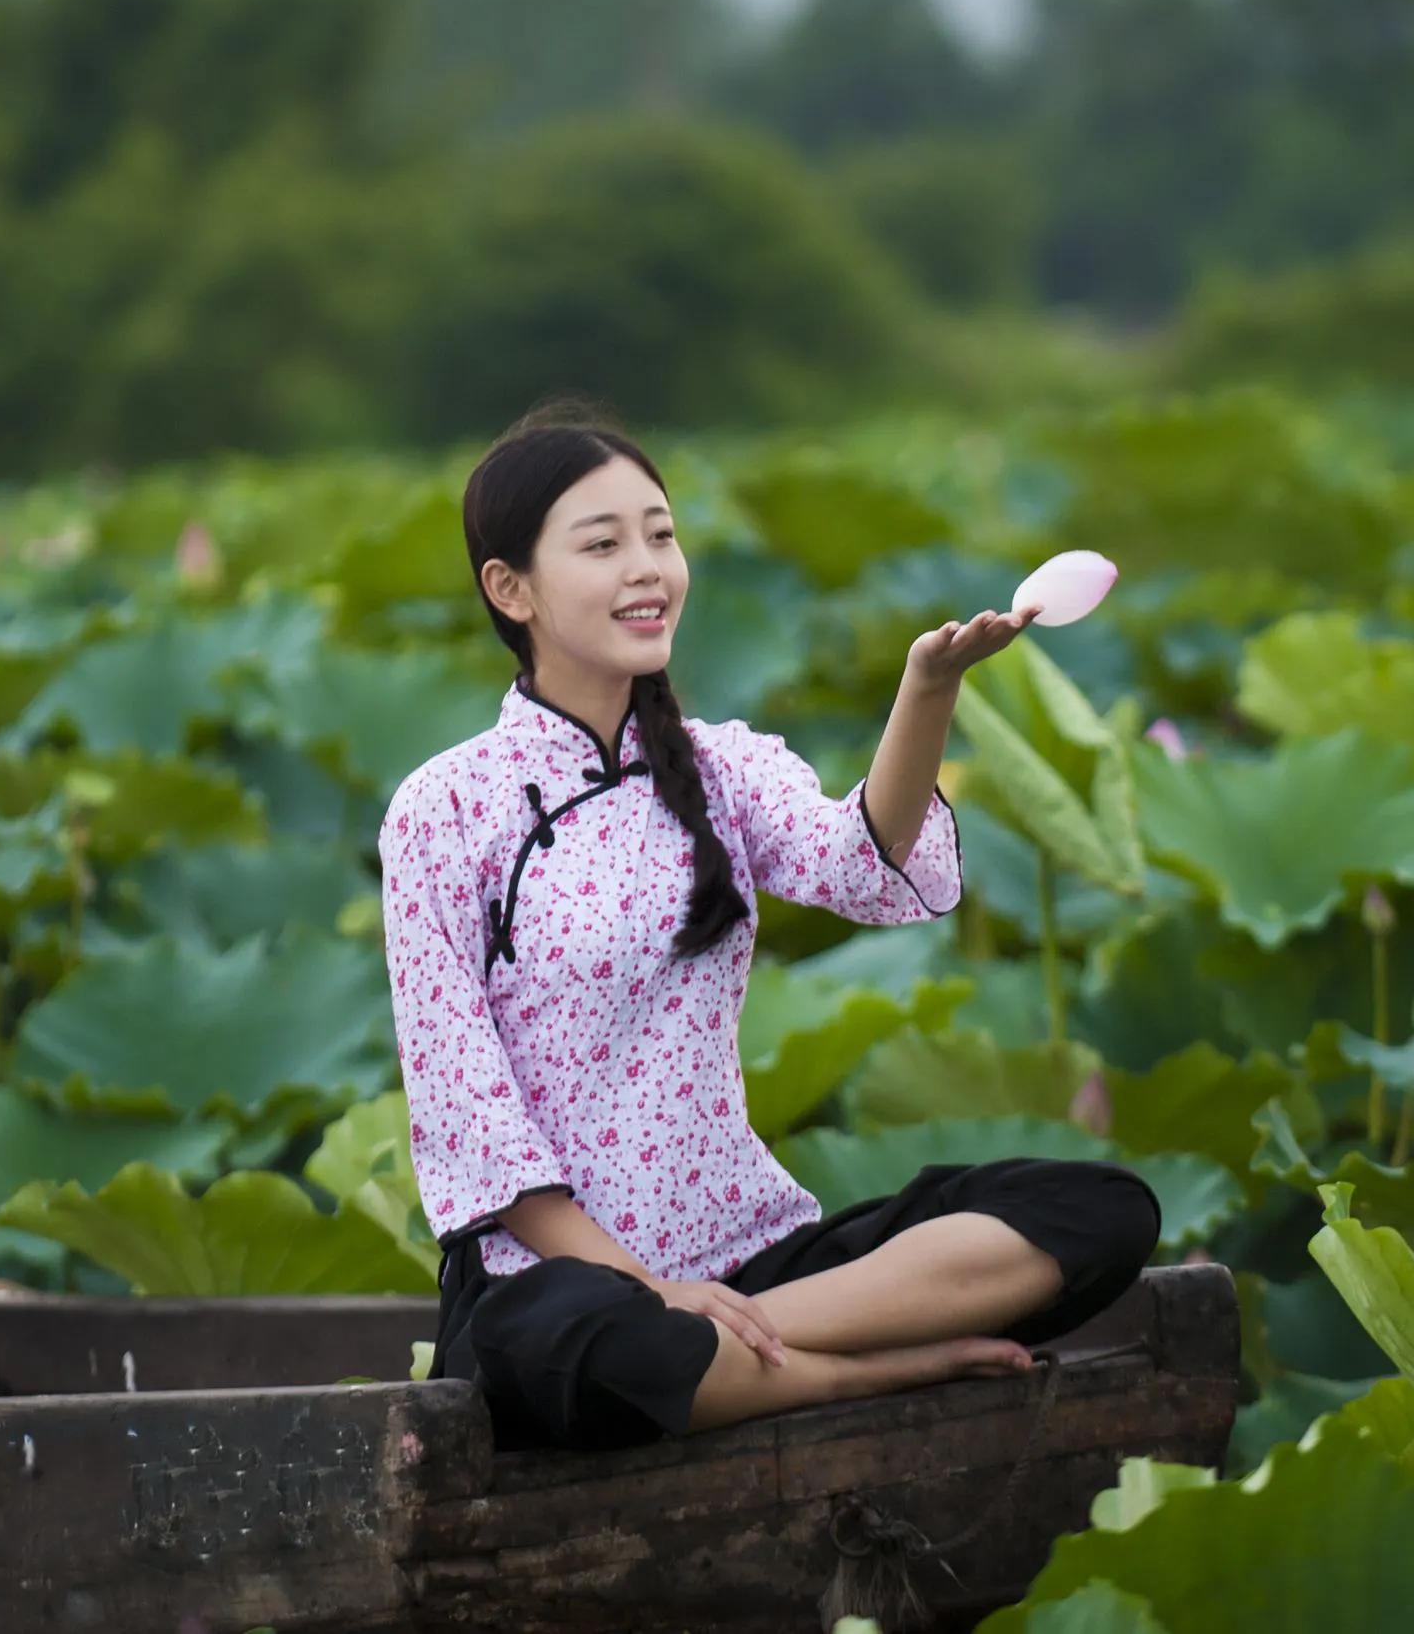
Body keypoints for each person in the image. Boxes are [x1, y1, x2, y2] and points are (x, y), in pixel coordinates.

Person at [378, 403, 1164, 1454]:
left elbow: (868, 869)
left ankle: (748, 1351)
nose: (648, 567)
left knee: (1100, 1209)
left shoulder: (722, 767)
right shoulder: (445, 810)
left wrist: (927, 689)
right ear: (509, 588)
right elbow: (473, 1120)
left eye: (660, 535)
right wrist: (651, 1291)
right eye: (603, 545)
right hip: (559, 1287)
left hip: (748, 1263)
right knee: (584, 1344)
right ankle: (863, 1369)